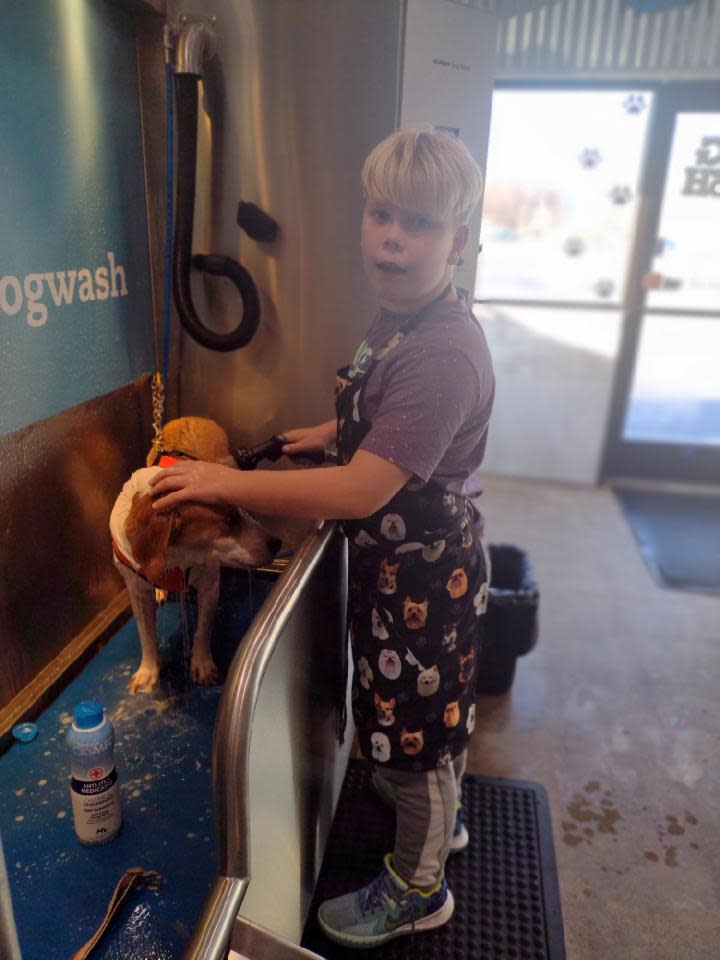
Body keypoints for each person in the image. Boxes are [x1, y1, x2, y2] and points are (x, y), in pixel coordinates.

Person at [150, 127, 495, 948]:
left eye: (417, 224)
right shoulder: (401, 316)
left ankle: (421, 887)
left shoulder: (444, 352)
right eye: (380, 214)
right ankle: (433, 822)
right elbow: (381, 427)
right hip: (397, 570)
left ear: (459, 240)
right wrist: (322, 431)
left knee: (419, 737)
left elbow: (360, 487)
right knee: (415, 725)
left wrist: (223, 481)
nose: (392, 237)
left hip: (424, 578)